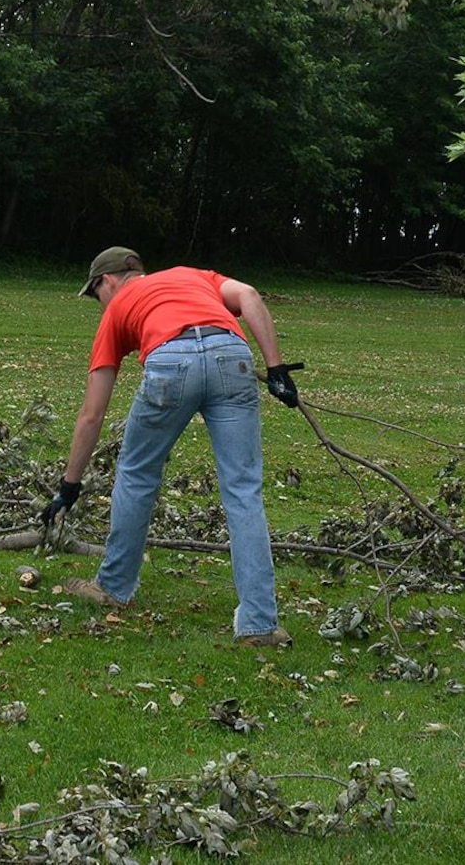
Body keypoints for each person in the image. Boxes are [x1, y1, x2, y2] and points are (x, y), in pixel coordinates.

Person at [42, 246, 300, 646]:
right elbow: (248, 296)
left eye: (96, 296)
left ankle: (113, 587)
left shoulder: (117, 308)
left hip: (170, 362)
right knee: (243, 490)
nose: (100, 305)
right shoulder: (193, 275)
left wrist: (69, 486)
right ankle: (260, 624)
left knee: (137, 474)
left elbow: (92, 414)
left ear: (107, 281)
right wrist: (277, 369)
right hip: (232, 356)